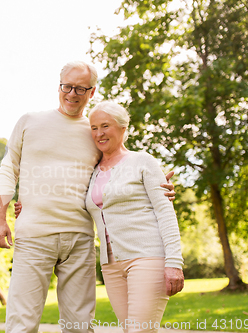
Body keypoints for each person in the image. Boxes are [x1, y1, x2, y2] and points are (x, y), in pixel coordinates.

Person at [0, 61, 175, 333]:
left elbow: (118, 165)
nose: (72, 93)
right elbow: (9, 168)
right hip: (34, 236)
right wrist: (1, 218)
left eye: (80, 88)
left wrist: (157, 186)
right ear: (59, 86)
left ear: (91, 91)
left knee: (79, 326)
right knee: (21, 324)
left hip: (80, 239)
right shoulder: (30, 122)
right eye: (67, 86)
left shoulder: (93, 131)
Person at [86, 101, 184, 333]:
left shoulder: (143, 161)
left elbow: (165, 213)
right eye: (93, 128)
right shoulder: (91, 171)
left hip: (146, 258)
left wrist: (174, 263)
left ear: (123, 128)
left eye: (105, 126)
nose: (99, 133)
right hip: (110, 265)